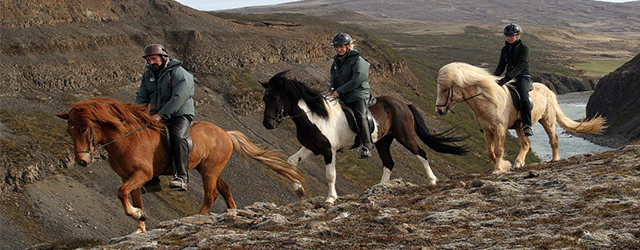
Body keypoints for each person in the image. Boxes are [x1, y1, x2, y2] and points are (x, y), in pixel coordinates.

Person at [136, 44, 195, 191]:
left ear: (163, 57)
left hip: (179, 113)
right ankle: (152, 180)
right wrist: (136, 114)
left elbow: (180, 96)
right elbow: (142, 96)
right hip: (156, 114)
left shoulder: (177, 72)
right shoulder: (148, 75)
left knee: (178, 135)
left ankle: (181, 176)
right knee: (144, 137)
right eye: (148, 60)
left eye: (154, 59)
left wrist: (161, 115)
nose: (151, 62)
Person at [327, 32, 374, 158]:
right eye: (337, 47)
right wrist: (332, 89)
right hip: (342, 93)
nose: (339, 49)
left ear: (348, 46)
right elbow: (334, 77)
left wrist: (339, 91)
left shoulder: (358, 60)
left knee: (360, 115)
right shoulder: (336, 61)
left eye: (341, 47)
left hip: (357, 94)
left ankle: (367, 145)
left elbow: (357, 79)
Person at [494, 23, 534, 136]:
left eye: (512, 35)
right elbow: (501, 66)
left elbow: (521, 65)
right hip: (508, 78)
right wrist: (493, 79)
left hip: (522, 77)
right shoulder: (504, 49)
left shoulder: (524, 48)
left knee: (524, 99)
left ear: (518, 36)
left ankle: (527, 125)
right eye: (507, 36)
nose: (509, 38)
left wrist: (507, 78)